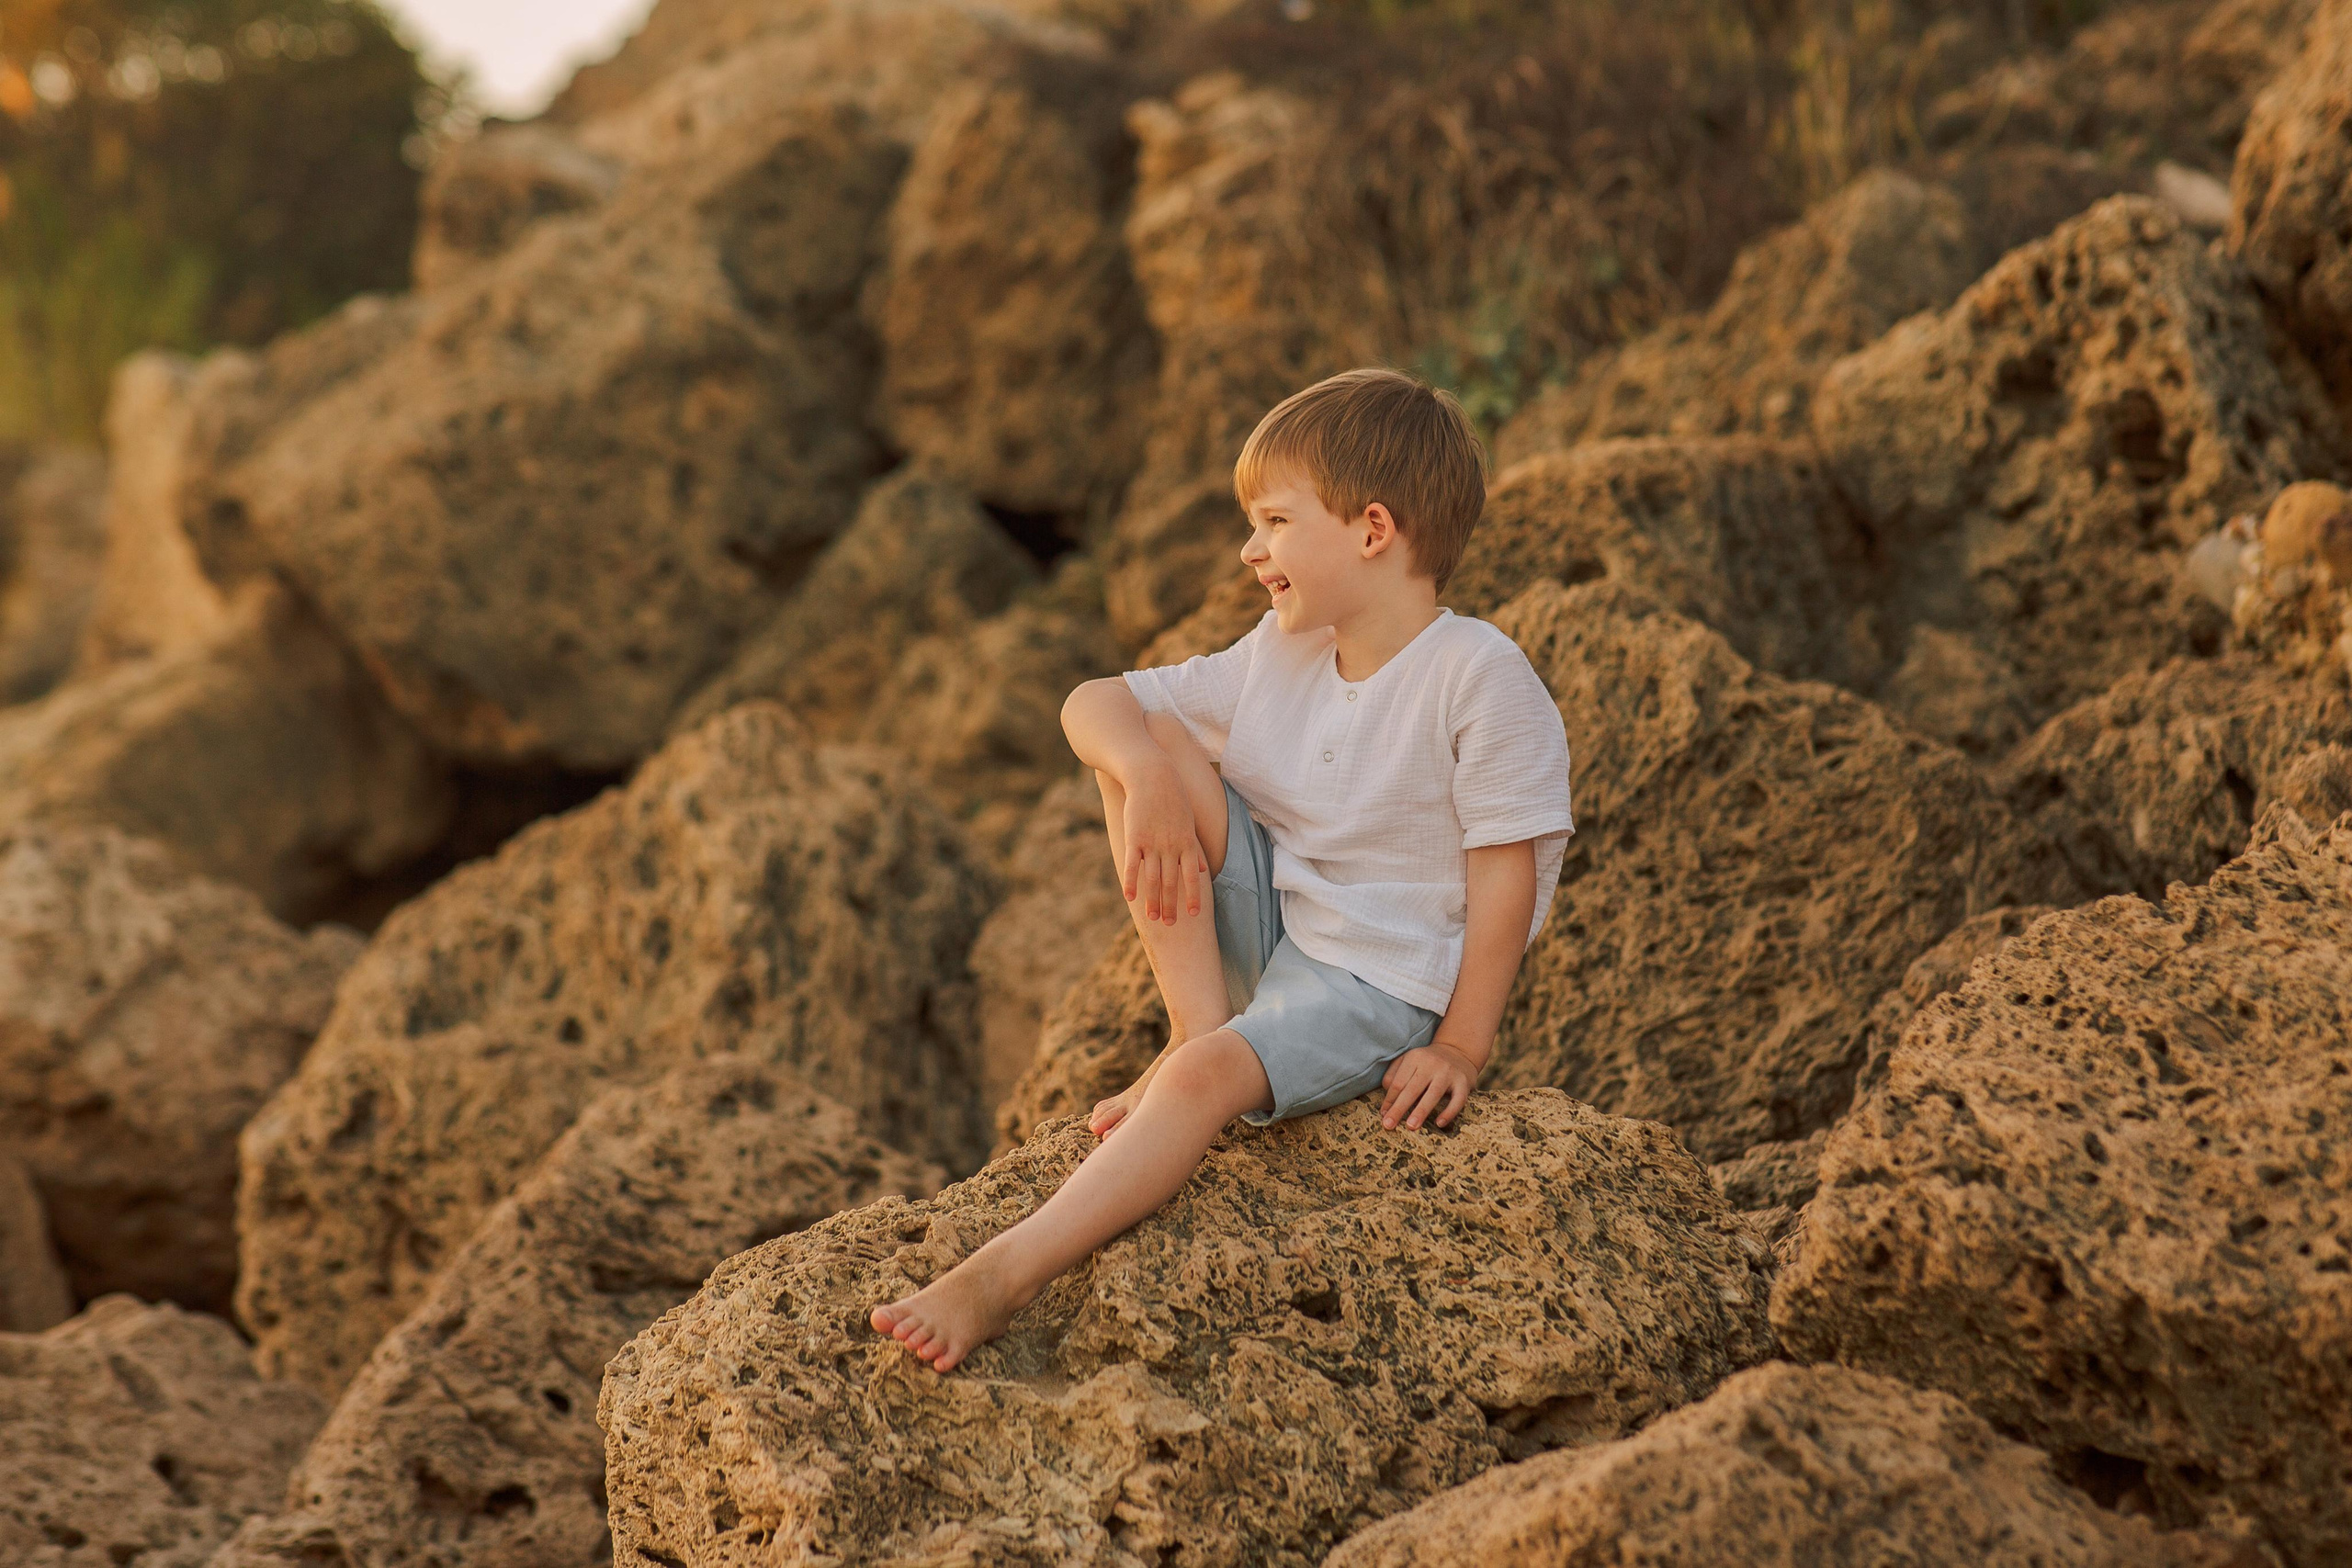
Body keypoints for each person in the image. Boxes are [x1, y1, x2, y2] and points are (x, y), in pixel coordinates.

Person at [870, 366, 1575, 1373]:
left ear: (1372, 530)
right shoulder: (1283, 653)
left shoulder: (1475, 674)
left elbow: (1503, 875)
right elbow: (1092, 702)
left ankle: (999, 1276)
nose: (1251, 551)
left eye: (1276, 522)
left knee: (1201, 1082)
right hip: (1284, 944)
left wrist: (1460, 1047)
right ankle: (1198, 1026)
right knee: (1146, 733)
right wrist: (1148, 768)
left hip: (1383, 986)